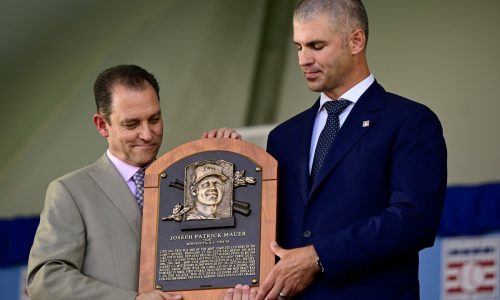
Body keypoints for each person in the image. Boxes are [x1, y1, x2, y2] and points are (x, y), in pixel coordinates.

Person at [255, 0, 447, 299]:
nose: (303, 59)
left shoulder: (410, 121)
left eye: (316, 45)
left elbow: (414, 220)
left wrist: (319, 256)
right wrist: (226, 155)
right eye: (298, 46)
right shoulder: (283, 137)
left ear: (356, 41)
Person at [26, 64, 242, 300]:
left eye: (154, 119)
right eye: (132, 124)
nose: (147, 134)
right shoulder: (71, 192)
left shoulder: (192, 182)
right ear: (102, 125)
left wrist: (229, 155)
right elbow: (46, 279)